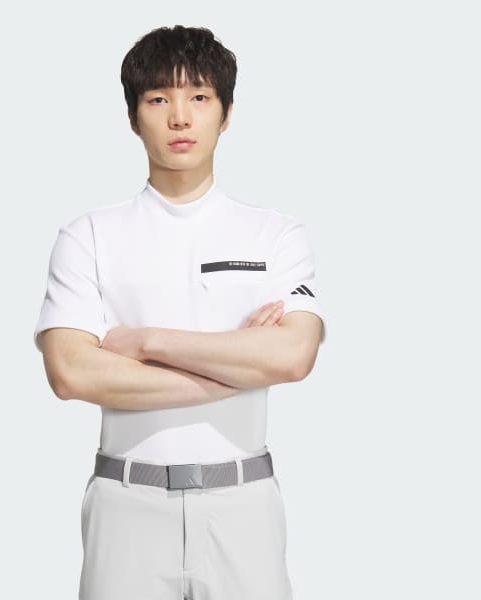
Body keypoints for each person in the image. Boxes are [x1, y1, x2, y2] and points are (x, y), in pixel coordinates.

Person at [33, 24, 326, 600]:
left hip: (244, 503)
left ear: (227, 112)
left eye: (199, 97)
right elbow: (70, 372)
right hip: (126, 504)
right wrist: (236, 369)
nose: (180, 117)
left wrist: (146, 342)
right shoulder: (88, 236)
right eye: (158, 99)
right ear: (132, 117)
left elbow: (294, 355)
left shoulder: (275, 235)